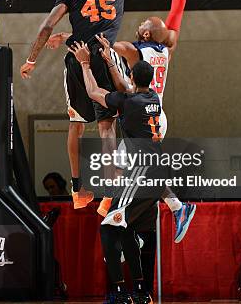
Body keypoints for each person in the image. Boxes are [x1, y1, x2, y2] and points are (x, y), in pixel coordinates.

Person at [19, 0, 171, 217]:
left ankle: (77, 190)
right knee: (106, 127)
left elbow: (46, 26)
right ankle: (110, 193)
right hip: (104, 54)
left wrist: (31, 59)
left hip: (78, 57)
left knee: (75, 124)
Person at [50, 0, 197, 242]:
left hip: (139, 111)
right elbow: (176, 12)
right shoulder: (167, 47)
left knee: (120, 165)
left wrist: (67, 38)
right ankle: (127, 213)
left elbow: (98, 40)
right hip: (156, 113)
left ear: (144, 35)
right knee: (132, 170)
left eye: (143, 23)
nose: (140, 23)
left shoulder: (132, 49)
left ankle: (140, 211)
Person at [70, 45, 164, 304]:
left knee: (108, 227)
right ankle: (142, 292)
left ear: (133, 79)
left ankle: (122, 293)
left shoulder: (128, 102)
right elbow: (124, 83)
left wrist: (86, 64)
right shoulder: (152, 98)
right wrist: (109, 59)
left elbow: (93, 92)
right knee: (127, 230)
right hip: (156, 175)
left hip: (142, 176)